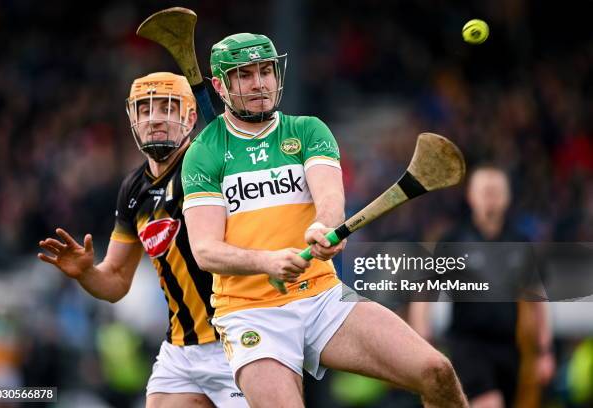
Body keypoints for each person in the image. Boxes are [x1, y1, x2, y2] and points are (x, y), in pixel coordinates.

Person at [181, 33, 468, 407]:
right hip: (250, 313)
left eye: (265, 71)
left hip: (323, 298)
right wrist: (266, 261)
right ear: (219, 85)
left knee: (436, 371)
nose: (259, 84)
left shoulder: (306, 131)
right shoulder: (204, 152)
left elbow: (330, 198)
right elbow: (205, 251)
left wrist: (325, 226)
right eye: (244, 75)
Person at [38, 72, 248, 408]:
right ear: (132, 119)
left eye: (168, 108)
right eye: (145, 110)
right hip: (181, 349)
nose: (155, 119)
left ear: (191, 117)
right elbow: (117, 281)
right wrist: (85, 273)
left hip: (236, 339)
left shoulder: (211, 162)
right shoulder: (133, 189)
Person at [409, 165, 555, 408]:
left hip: (510, 347)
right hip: (468, 345)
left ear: (507, 197)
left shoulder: (519, 242)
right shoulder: (453, 241)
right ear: (471, 196)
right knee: (489, 402)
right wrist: (421, 341)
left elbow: (538, 300)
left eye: (496, 192)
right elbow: (424, 293)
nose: (491, 198)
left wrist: (544, 351)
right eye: (485, 191)